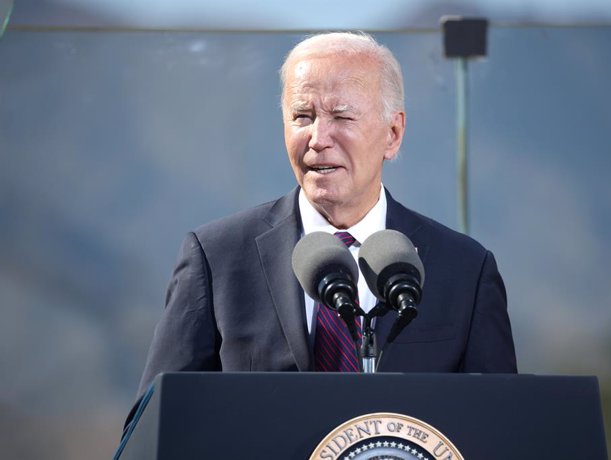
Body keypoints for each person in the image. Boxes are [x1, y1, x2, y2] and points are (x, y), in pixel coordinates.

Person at [129, 31, 516, 421]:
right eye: (302, 116)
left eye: (341, 116)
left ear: (393, 134)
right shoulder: (216, 259)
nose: (317, 139)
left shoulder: (465, 270)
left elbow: (501, 425)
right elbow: (155, 423)